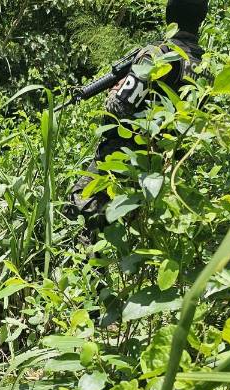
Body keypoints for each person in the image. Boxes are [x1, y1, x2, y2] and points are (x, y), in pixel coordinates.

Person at [66, 0, 207, 239]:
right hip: (163, 166)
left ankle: (82, 271)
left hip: (123, 157)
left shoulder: (158, 55)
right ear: (201, 20)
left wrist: (115, 90)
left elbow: (117, 108)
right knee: (129, 231)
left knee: (80, 211)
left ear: (168, 16)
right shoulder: (204, 66)